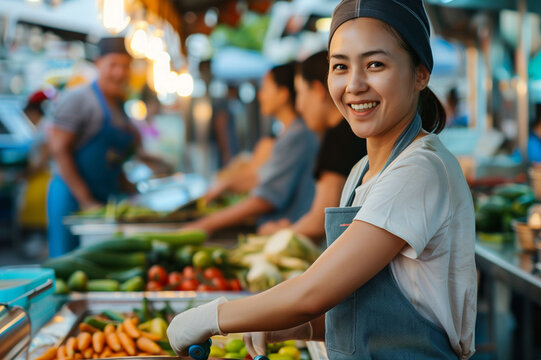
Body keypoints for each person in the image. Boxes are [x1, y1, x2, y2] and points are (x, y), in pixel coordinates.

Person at [167, 1, 477, 359]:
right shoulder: (361, 173)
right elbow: (368, 313)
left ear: (420, 73)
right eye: (340, 67)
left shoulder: (420, 170)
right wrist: (299, 326)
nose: (355, 85)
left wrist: (213, 316)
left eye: (375, 64)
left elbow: (312, 293)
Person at [185, 62, 319, 234]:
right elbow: (259, 178)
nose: (260, 95)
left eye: (265, 88)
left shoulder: (297, 136)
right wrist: (225, 185)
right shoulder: (289, 135)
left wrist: (204, 225)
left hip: (284, 236)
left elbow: (266, 198)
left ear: (283, 94)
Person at [258, 51, 367, 243]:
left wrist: (279, 233)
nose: (299, 106)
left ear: (318, 91)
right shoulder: (346, 133)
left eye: (300, 93)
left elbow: (320, 222)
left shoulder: (340, 137)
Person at [47, 37, 138, 257]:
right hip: (72, 198)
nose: (119, 73)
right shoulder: (79, 99)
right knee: (68, 264)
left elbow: (114, 157)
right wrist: (85, 199)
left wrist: (130, 189)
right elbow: (58, 150)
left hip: (103, 201)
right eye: (113, 65)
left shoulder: (120, 105)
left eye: (125, 66)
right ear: (98, 63)